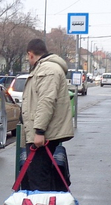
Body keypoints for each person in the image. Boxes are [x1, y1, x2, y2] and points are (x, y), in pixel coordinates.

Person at [21, 38, 74, 193]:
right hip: (46, 133)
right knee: (41, 173)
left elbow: (46, 101)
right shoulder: (47, 68)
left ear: (31, 54)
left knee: (39, 176)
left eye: (27, 57)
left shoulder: (47, 70)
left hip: (44, 134)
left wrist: (39, 131)